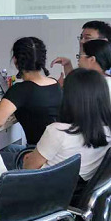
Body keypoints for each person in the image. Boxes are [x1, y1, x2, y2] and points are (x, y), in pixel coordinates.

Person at [23, 68, 111, 200]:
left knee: (7, 156)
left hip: (41, 197)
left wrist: (29, 160)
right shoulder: (107, 131)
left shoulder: (57, 131)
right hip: (74, 195)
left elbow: (28, 169)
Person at [0, 37, 61, 168]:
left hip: (37, 159)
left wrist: (0, 111)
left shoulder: (21, 90)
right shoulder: (54, 83)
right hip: (58, 157)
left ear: (16, 61)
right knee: (5, 148)